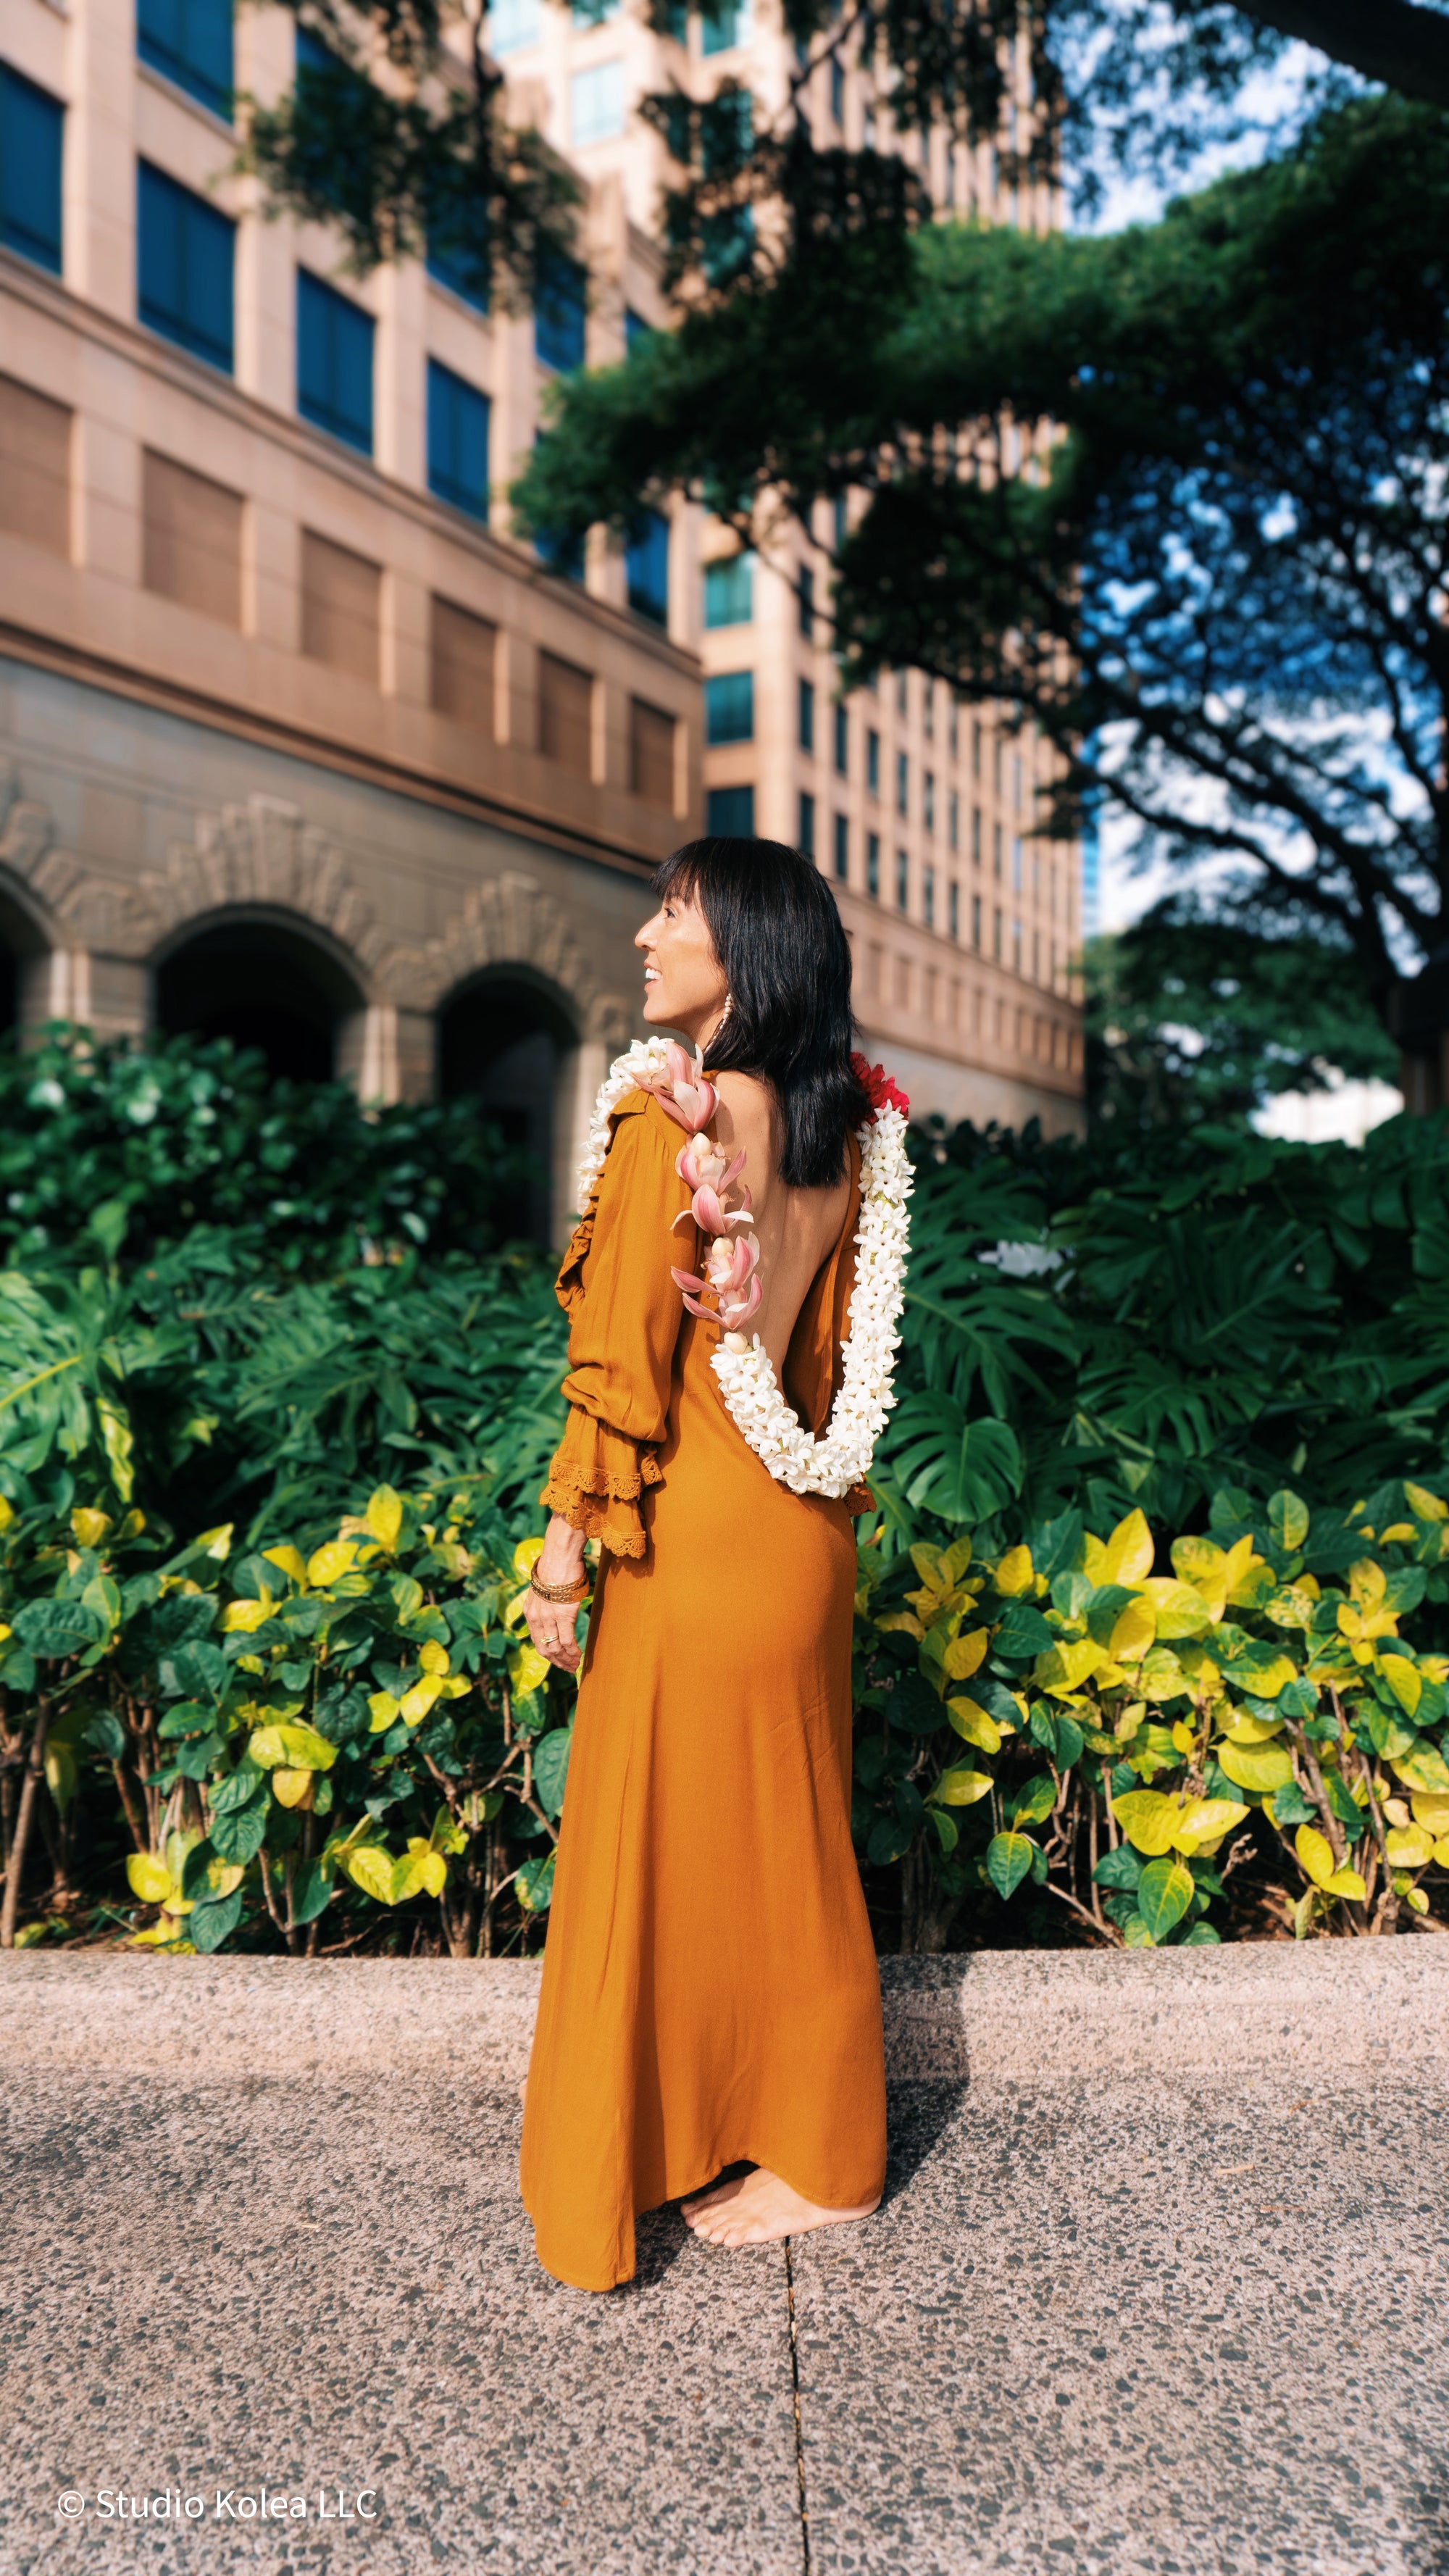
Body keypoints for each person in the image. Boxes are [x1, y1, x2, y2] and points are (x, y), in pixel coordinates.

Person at [517, 835, 912, 2293]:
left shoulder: (666, 1124)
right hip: (801, 1540)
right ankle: (797, 2138)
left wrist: (562, 1557)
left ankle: (795, 2155)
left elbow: (619, 1369)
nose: (640, 935)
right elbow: (818, 1359)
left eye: (668, 914)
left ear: (741, 952)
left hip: (691, 1544)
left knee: (648, 1858)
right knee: (787, 1857)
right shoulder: (842, 1126)